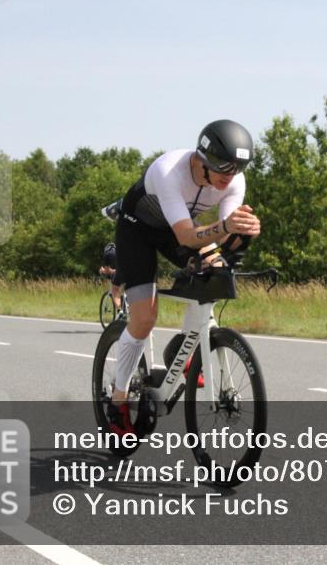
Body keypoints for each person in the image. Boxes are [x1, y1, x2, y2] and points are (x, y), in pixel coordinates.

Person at [106, 119, 261, 434]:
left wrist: (244, 233)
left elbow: (224, 234)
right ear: (204, 159)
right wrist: (226, 227)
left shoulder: (234, 181)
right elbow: (188, 237)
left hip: (176, 229)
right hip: (138, 230)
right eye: (224, 167)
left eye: (237, 169)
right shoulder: (170, 171)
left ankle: (183, 349)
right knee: (144, 319)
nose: (229, 176)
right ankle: (118, 400)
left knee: (216, 268)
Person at [98, 242, 122, 310]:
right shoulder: (121, 251)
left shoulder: (107, 254)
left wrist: (103, 270)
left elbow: (107, 271)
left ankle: (120, 311)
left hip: (121, 271)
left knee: (115, 289)